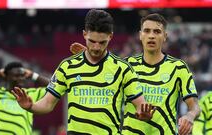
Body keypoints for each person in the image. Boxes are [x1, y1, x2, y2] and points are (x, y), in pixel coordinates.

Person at [12, 9, 155, 135]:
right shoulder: (68, 66)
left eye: (102, 42)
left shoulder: (123, 69)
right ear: (84, 34)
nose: (96, 47)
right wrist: (31, 106)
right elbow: (48, 103)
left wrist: (144, 114)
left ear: (110, 36)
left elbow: (140, 105)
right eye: (92, 41)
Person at [70, 13, 201, 135]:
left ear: (165, 36)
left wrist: (189, 116)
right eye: (147, 31)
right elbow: (99, 78)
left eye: (157, 31)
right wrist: (92, 58)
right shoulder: (126, 65)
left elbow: (194, 105)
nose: (151, 36)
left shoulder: (178, 67)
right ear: (140, 35)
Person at [0, 62, 49, 135]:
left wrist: (33, 75)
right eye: (16, 76)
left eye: (22, 75)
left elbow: (55, 88)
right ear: (6, 77)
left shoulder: (30, 94)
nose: (20, 78)